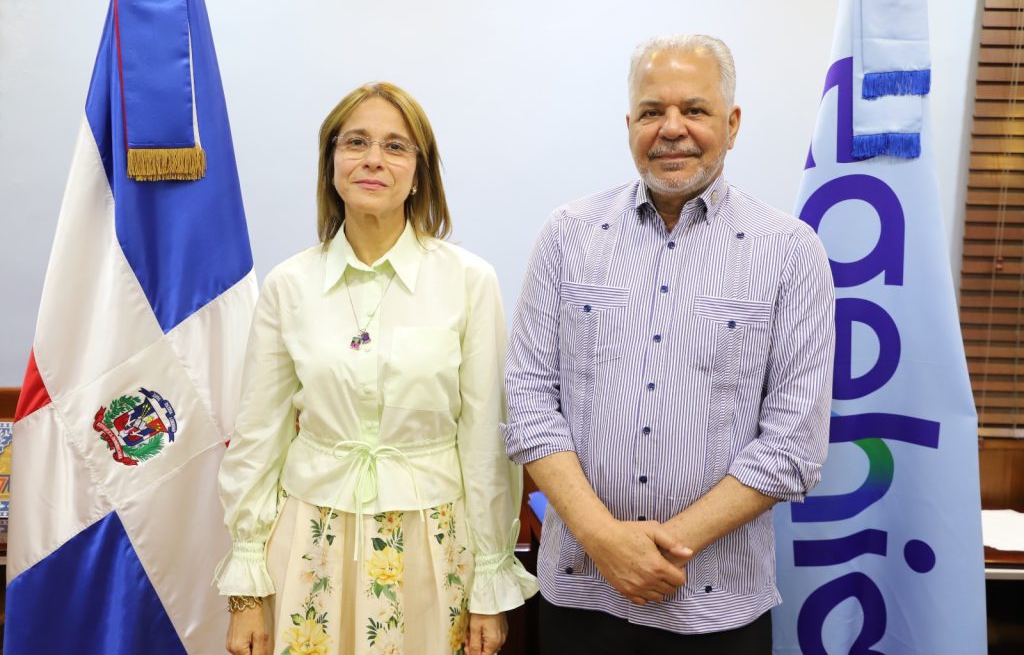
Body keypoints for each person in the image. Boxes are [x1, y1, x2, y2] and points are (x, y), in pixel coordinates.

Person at [502, 34, 835, 653]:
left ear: (732, 125)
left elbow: (793, 445)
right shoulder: (567, 236)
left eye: (696, 110)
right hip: (579, 592)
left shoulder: (791, 252)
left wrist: (654, 551)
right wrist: (604, 540)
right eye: (653, 111)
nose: (672, 128)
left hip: (717, 607)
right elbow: (527, 401)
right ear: (630, 124)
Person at [216, 82, 537, 655]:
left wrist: (490, 581)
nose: (373, 160)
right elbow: (258, 438)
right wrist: (245, 594)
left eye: (395, 146)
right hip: (311, 541)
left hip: (431, 544)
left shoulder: (468, 281)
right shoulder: (289, 285)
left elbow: (486, 440)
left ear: (420, 170)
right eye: (356, 142)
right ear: (330, 162)